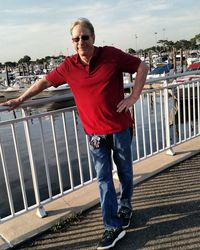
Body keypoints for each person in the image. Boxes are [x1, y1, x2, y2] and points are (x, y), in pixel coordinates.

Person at [1, 18, 148, 249]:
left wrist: (134, 96)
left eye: (85, 37)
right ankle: (112, 226)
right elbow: (44, 83)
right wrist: (21, 99)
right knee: (104, 179)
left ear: (93, 37)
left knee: (126, 173)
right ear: (72, 42)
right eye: (76, 38)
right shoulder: (69, 66)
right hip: (95, 134)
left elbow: (142, 66)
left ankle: (126, 206)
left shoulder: (111, 55)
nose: (81, 42)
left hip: (120, 128)